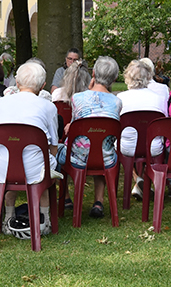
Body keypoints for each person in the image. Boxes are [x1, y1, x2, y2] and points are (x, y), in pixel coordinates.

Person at [0, 61, 59, 234]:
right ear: (42, 86)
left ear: (17, 83)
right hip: (35, 171)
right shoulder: (48, 107)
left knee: (13, 162)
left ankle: (8, 218)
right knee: (45, 166)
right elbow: (54, 144)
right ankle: (45, 220)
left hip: (2, 168)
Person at [58, 56, 122, 219]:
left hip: (77, 158)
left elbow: (75, 126)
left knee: (57, 151)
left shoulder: (77, 98)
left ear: (93, 73)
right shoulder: (117, 102)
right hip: (105, 159)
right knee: (101, 145)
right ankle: (98, 202)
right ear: (115, 78)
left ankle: (66, 198)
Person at [117, 59, 169, 199]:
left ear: (128, 77)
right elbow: (165, 124)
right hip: (153, 147)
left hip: (127, 147)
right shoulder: (159, 99)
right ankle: (141, 182)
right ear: (148, 77)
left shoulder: (120, 98)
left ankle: (137, 180)